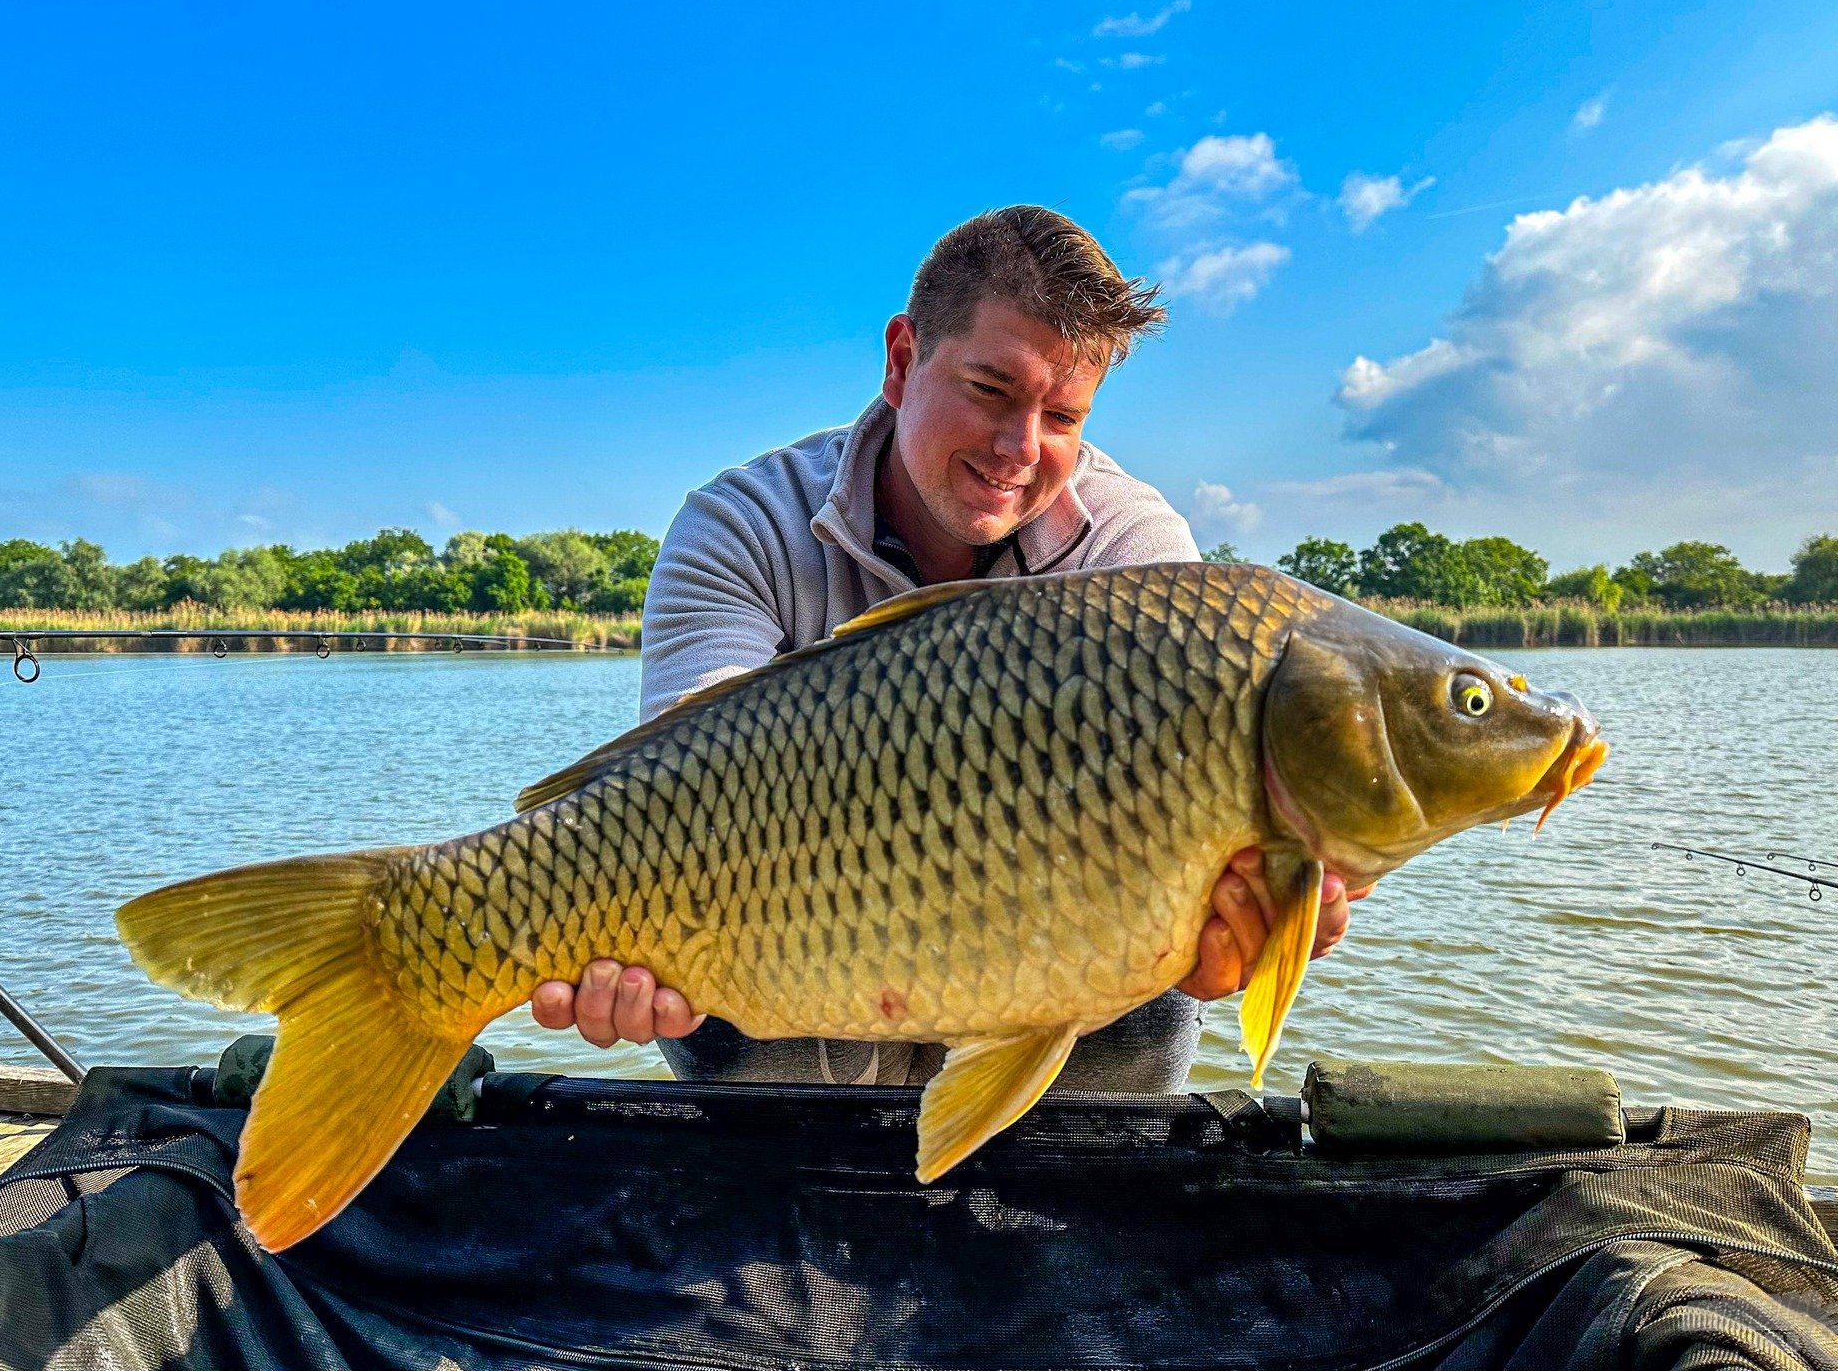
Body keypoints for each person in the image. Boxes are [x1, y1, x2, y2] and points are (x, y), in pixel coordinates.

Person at [530, 206, 1373, 1087]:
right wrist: (599, 941)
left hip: (1055, 956)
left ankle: (1050, 1207)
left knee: (1156, 950)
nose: (1020, 449)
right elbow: (685, 802)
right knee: (717, 902)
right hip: (785, 944)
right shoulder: (740, 527)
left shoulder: (1135, 555)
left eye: (1063, 417)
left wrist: (1212, 938)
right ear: (902, 360)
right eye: (991, 391)